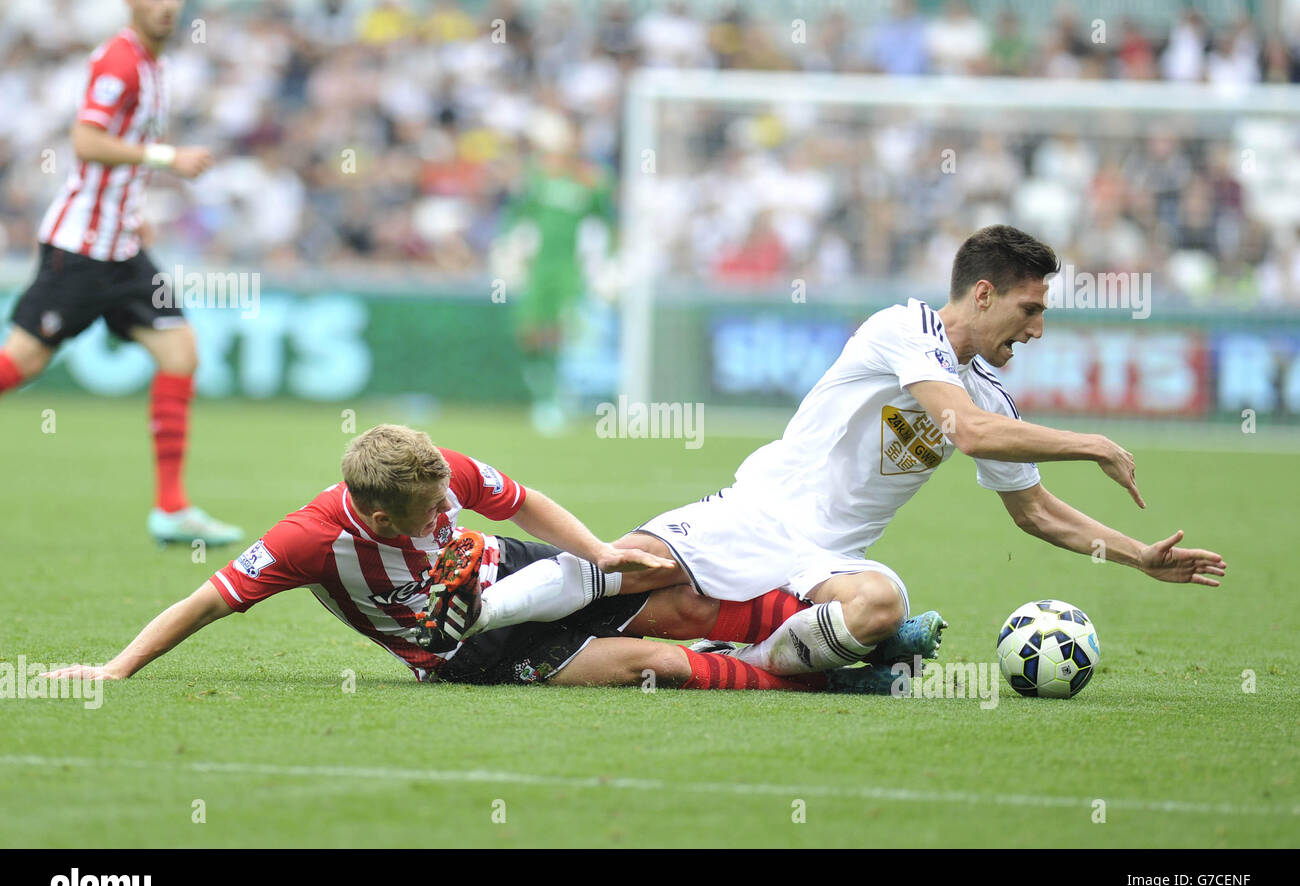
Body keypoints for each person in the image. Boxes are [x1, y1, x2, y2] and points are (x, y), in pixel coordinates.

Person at [443, 225, 1227, 675]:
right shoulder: (904, 328)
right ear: (982, 294)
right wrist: (1090, 441)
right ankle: (473, 618)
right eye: (1029, 307)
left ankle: (750, 668)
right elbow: (964, 432)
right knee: (632, 569)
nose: (1038, 328)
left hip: (827, 556)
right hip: (760, 510)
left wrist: (1138, 557)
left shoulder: (991, 392)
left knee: (882, 605)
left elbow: (1036, 515)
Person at [42, 425, 934, 693]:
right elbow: (204, 600)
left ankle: (859, 635)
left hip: (514, 572)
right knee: (663, 661)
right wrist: (117, 670)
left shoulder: (439, 472)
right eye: (431, 509)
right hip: (459, 650)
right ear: (379, 512)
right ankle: (838, 679)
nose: (446, 504)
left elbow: (526, 501)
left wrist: (598, 552)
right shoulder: (307, 541)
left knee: (678, 597)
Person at [0, 0, 241, 546]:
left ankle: (172, 509)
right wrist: (167, 158)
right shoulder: (121, 62)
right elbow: (86, 142)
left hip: (122, 246)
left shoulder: (155, 65)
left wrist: (132, 215)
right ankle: (173, 508)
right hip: (82, 249)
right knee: (21, 362)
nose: (166, 7)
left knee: (181, 353)